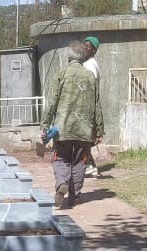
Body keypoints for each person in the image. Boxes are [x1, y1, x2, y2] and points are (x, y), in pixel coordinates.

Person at [41, 41, 104, 209]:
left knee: (60, 159)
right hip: (84, 130)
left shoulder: (62, 74)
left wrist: (45, 125)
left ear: (69, 56)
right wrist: (99, 130)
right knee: (80, 162)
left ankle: (62, 182)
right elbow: (96, 104)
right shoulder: (90, 76)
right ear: (84, 57)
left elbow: (52, 102)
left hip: (63, 129)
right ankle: (74, 196)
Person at [81, 36, 101, 178]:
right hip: (86, 105)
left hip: (87, 106)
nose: (85, 48)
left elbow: (90, 86)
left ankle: (89, 166)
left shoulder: (90, 64)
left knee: (85, 138)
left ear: (93, 50)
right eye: (84, 46)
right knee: (86, 138)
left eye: (88, 47)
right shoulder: (87, 63)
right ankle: (90, 166)